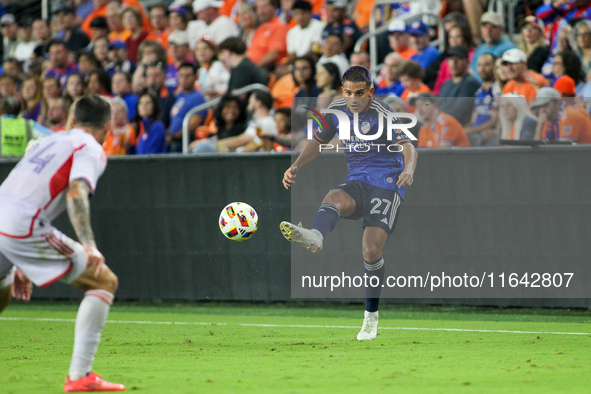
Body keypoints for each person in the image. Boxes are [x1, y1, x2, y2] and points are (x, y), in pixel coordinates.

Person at [280, 66, 418, 341]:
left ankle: (371, 317)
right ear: (343, 91)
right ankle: (316, 236)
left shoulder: (383, 114)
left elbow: (408, 147)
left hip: (387, 183)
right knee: (332, 197)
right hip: (357, 179)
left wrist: (409, 170)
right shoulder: (335, 111)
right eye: (349, 93)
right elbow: (317, 142)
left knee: (370, 250)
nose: (354, 99)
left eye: (360, 93)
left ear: (370, 92)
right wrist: (295, 165)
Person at [0, 94, 125, 392]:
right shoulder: (90, 148)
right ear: (107, 126)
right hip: (20, 225)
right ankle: (80, 376)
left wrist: (19, 258)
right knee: (103, 282)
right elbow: (76, 193)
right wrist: (89, 245)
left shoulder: (48, 141)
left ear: (72, 118)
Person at [438, 45, 482, 127]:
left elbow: (458, 112)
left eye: (459, 58)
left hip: (460, 129)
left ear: (467, 62)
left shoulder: (471, 83)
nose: (454, 62)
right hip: (442, 127)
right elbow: (438, 106)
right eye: (451, 59)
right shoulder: (446, 84)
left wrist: (436, 119)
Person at [167, 62, 207, 152]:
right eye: (181, 75)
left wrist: (172, 137)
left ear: (195, 77)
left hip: (185, 140)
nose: (184, 79)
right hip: (173, 138)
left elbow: (192, 126)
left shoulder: (198, 97)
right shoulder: (178, 96)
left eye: (188, 75)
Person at [465, 53, 501, 146]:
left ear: (495, 67)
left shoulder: (497, 90)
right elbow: (473, 120)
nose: (482, 69)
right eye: (479, 65)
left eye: (486, 65)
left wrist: (470, 130)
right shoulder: (478, 92)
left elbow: (494, 121)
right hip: (476, 132)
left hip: (488, 134)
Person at [470, 11, 516, 81]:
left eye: (493, 27)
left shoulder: (509, 49)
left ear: (501, 29)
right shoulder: (479, 49)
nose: (488, 30)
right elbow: (471, 71)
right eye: (485, 27)